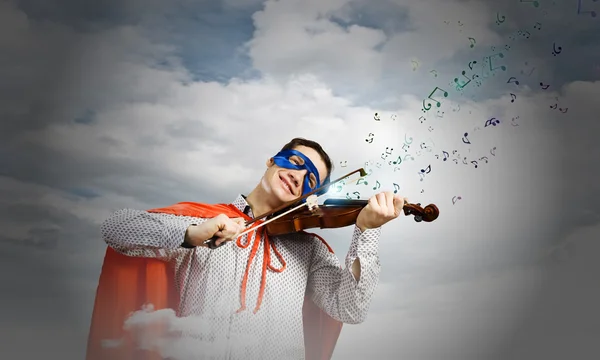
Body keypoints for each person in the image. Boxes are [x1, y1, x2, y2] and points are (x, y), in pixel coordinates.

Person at [86, 137, 408, 360]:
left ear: (309, 196)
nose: (298, 177)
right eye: (295, 163)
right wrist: (192, 234)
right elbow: (115, 229)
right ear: (271, 160)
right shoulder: (205, 221)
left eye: (310, 180)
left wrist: (366, 231)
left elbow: (350, 309)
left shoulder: (308, 250)